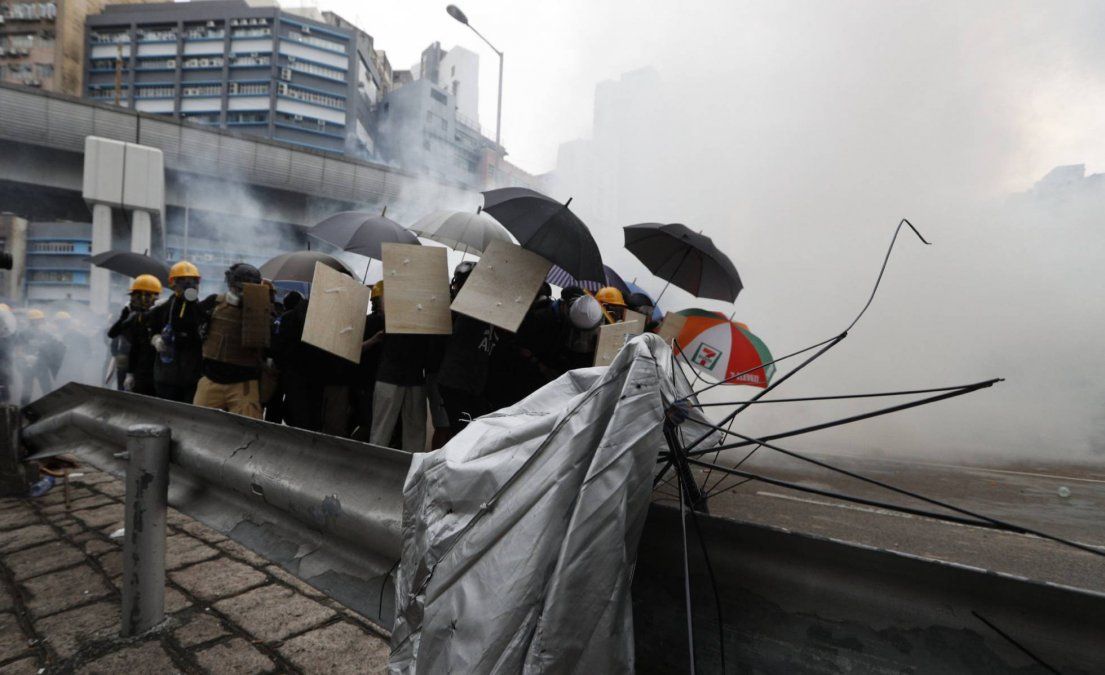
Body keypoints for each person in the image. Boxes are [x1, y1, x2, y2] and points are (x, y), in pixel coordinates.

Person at [192, 263, 266, 419]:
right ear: (231, 285)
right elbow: (191, 321)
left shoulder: (262, 310)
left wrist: (255, 308)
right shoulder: (215, 302)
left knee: (248, 429)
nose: (241, 292)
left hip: (244, 383)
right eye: (238, 288)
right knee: (198, 424)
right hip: (211, 378)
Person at [435, 262, 500, 437]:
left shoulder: (478, 309)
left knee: (468, 430)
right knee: (463, 431)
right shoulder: (467, 310)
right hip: (457, 380)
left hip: (470, 381)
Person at [147, 261, 205, 403]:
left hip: (192, 378)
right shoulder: (162, 309)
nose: (189, 285)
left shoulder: (203, 311)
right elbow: (151, 331)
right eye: (183, 281)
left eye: (193, 281)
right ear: (173, 284)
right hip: (167, 377)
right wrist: (156, 340)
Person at [106, 274, 163, 395]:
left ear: (149, 297)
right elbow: (113, 333)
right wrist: (124, 315)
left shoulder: (161, 314)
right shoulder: (136, 318)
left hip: (157, 373)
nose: (133, 299)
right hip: (140, 371)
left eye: (136, 296)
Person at [351, 280, 386, 441]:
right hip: (366, 380)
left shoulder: (374, 321)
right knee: (368, 422)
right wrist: (374, 340)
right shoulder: (369, 322)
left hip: (375, 380)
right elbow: (355, 348)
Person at [19, 309, 65, 405]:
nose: (40, 322)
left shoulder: (46, 333)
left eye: (41, 319)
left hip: (42, 364)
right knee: (27, 388)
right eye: (37, 320)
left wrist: (58, 340)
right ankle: (23, 407)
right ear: (31, 321)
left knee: (46, 387)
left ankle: (49, 407)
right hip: (28, 365)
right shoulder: (24, 333)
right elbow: (18, 349)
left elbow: (53, 348)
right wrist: (26, 357)